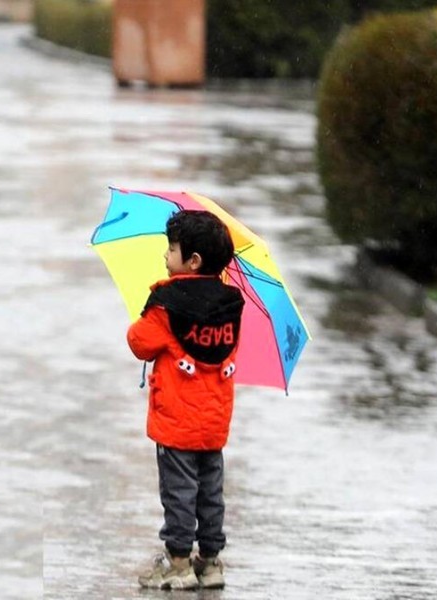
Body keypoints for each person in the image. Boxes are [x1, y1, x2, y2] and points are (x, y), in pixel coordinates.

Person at [127, 210, 244, 590]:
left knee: (179, 491)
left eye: (171, 249)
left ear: (192, 261)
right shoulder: (231, 304)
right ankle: (210, 561)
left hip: (176, 421)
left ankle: (178, 561)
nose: (165, 255)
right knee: (210, 491)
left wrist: (146, 311)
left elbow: (139, 343)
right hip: (214, 422)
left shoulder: (167, 302)